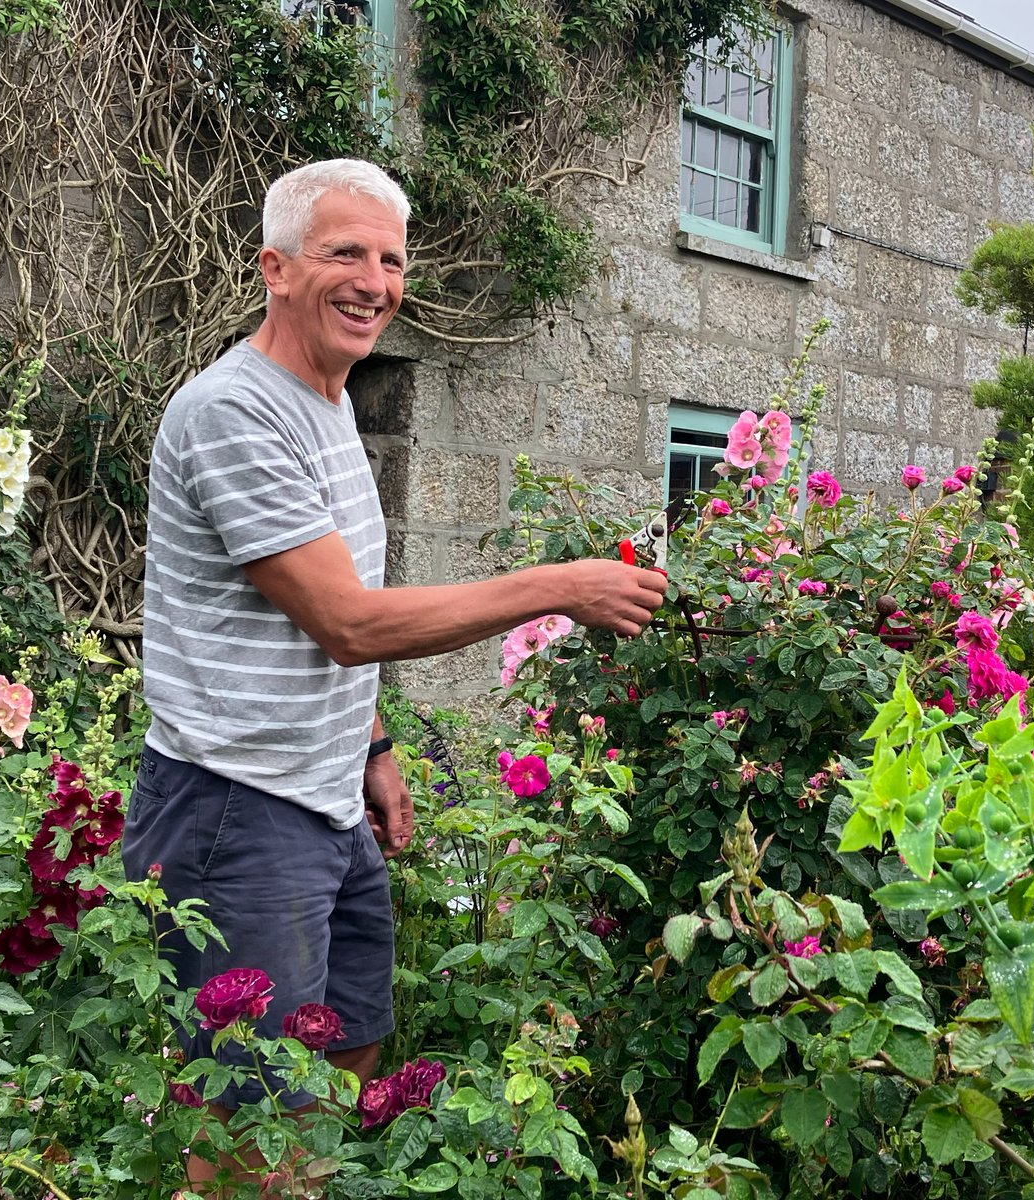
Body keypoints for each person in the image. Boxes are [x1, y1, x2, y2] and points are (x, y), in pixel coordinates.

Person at [120, 157, 666, 1194]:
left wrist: (370, 747)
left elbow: (326, 615)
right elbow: (347, 621)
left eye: (390, 258)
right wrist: (561, 585)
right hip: (236, 804)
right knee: (252, 1109)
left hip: (320, 798)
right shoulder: (234, 413)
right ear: (275, 268)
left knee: (350, 1048)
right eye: (345, 254)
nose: (374, 280)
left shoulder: (326, 399)